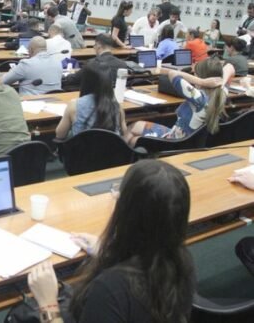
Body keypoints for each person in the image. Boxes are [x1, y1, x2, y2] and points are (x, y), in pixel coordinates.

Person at [28, 159, 194, 323]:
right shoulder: (182, 262)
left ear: (128, 212)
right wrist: (106, 252)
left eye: (119, 195)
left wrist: (48, 305)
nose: (115, 197)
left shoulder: (110, 289)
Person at [128, 58, 225, 144]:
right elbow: (230, 68)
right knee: (136, 129)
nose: (194, 78)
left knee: (133, 134)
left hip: (174, 141)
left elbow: (173, 74)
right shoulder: (221, 94)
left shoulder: (198, 98)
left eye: (195, 75)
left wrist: (201, 81)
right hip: (185, 139)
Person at [55, 66, 127, 138]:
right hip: (112, 148)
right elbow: (124, 132)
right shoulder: (117, 106)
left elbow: (60, 134)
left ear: (86, 81)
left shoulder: (74, 105)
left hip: (80, 148)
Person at [63, 34, 128, 88]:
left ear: (98, 45)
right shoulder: (122, 64)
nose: (94, 47)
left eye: (94, 45)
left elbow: (74, 79)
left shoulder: (92, 63)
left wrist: (68, 75)